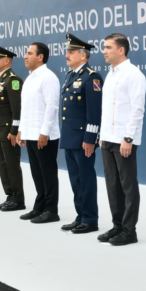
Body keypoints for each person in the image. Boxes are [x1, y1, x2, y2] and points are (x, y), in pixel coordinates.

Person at [98, 33, 146, 246]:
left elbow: (137, 109)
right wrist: (102, 135)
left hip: (123, 140)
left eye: (108, 47)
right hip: (107, 138)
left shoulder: (133, 74)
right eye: (104, 47)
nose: (104, 51)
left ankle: (129, 230)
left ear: (121, 50)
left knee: (127, 185)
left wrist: (129, 137)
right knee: (112, 185)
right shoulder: (110, 74)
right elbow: (107, 109)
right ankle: (117, 226)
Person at [60, 34, 103, 234]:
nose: (67, 55)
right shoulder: (70, 75)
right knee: (75, 179)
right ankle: (80, 215)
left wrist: (90, 139)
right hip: (70, 137)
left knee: (86, 179)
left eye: (71, 52)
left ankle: (90, 219)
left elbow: (94, 113)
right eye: (67, 51)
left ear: (83, 55)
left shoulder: (91, 77)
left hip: (83, 139)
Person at [16, 42, 61, 224]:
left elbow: (52, 106)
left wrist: (44, 132)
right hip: (31, 133)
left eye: (29, 53)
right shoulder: (29, 79)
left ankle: (51, 210)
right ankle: (39, 206)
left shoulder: (48, 77)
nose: (25, 56)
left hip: (44, 136)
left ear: (40, 56)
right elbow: (25, 108)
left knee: (48, 173)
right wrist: (21, 130)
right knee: (36, 172)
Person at [0, 44, 25, 212]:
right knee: (2, 165)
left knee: (11, 165)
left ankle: (18, 198)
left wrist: (13, 131)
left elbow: (17, 110)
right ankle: (9, 195)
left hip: (8, 131)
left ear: (7, 61)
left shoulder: (13, 80)